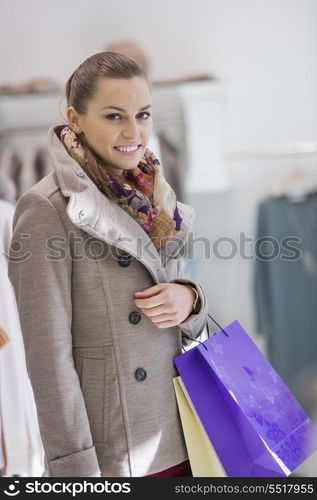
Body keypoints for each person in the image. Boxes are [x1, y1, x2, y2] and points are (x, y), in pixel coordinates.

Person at [8, 51, 208, 478]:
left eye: (144, 114)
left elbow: (179, 312)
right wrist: (76, 473)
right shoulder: (46, 209)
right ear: (75, 119)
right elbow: (48, 358)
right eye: (115, 116)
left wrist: (190, 299)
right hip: (118, 451)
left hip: (190, 430)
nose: (134, 132)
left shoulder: (157, 199)